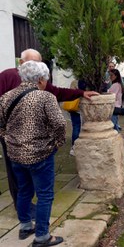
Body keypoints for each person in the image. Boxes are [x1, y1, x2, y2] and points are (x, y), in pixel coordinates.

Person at [0, 48, 98, 214]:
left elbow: (58, 92)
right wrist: (6, 136)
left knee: (27, 178)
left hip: (33, 140)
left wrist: (80, 93)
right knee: (19, 177)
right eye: (31, 63)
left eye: (38, 63)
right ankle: (32, 220)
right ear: (21, 64)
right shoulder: (7, 76)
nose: (35, 67)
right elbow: (60, 123)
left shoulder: (41, 84)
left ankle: (25, 218)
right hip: (14, 139)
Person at [0, 61, 65, 246]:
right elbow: (60, 124)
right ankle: (42, 236)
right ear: (40, 79)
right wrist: (57, 143)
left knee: (23, 191)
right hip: (40, 155)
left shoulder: (6, 97)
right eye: (45, 78)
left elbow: (0, 124)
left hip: (16, 156)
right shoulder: (45, 97)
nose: (46, 81)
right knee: (45, 195)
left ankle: (25, 226)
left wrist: (8, 140)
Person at [68, 79, 87, 156]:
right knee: (78, 127)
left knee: (75, 127)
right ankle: (75, 147)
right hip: (79, 108)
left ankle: (74, 147)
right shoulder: (85, 82)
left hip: (73, 108)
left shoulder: (73, 82)